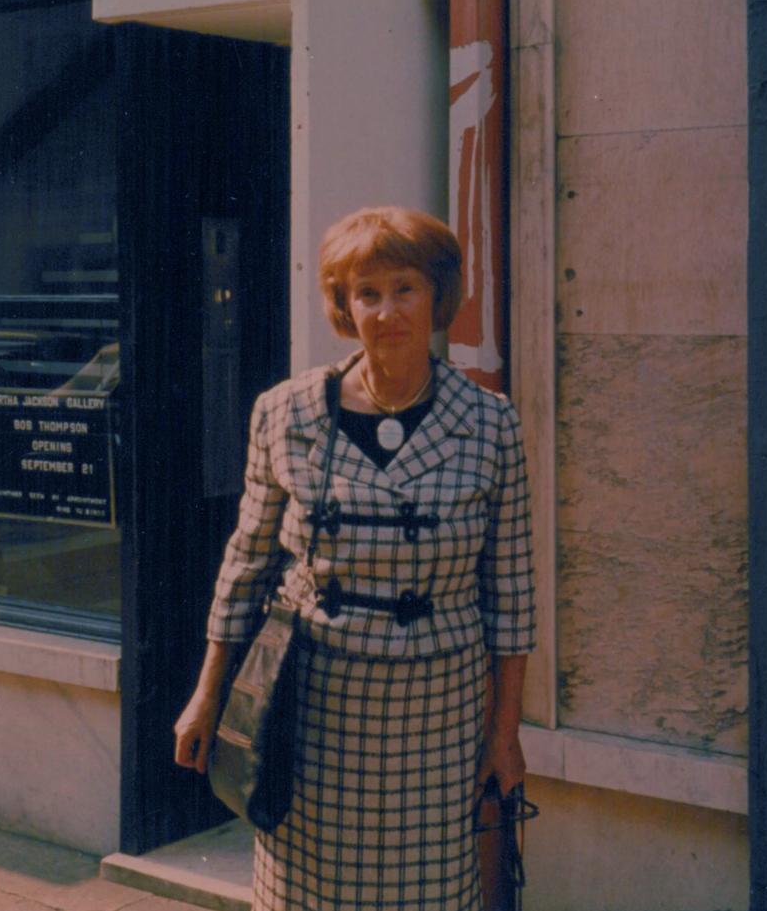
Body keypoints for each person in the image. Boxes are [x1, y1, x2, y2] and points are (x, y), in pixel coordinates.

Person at [174, 206, 535, 911]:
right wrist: (207, 694)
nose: (387, 311)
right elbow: (244, 564)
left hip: (440, 716)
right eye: (367, 292)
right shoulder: (286, 413)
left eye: (405, 288)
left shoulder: (491, 424)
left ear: (436, 296)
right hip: (315, 712)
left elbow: (513, 594)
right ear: (344, 306)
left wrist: (506, 734)